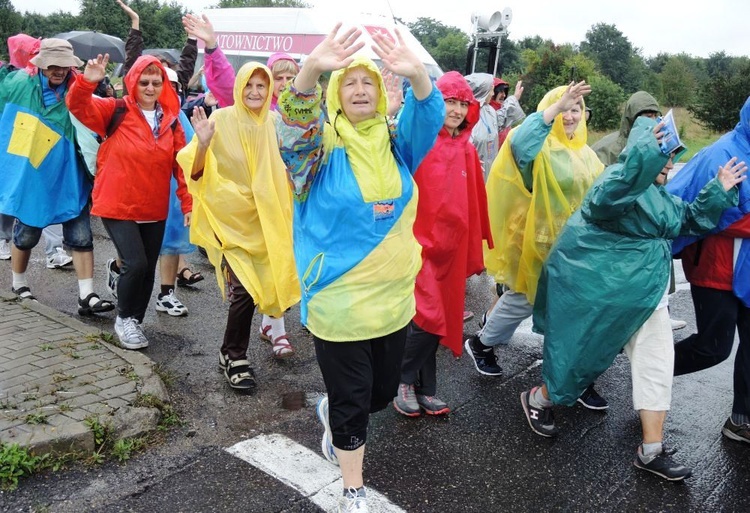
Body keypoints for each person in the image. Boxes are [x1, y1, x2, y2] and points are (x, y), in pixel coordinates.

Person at [521, 116, 746, 481]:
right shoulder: (614, 184)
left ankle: (651, 449)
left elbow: (689, 220)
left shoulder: (659, 195)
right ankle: (539, 399)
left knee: (657, 366)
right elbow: (619, 189)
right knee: (580, 360)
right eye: (665, 155)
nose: (670, 164)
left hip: (645, 298)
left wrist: (718, 190)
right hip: (603, 296)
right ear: (644, 154)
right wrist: (647, 155)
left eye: (672, 156)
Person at [276, 24, 444, 512]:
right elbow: (292, 129)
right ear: (334, 95)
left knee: (379, 394)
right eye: (348, 82)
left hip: (392, 298)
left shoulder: (396, 145)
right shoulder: (317, 153)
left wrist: (417, 77)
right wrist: (309, 70)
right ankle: (353, 490)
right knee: (355, 402)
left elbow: (426, 120)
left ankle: (333, 411)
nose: (359, 89)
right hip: (338, 297)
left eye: (367, 81)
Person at [464, 82, 608, 409]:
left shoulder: (586, 153)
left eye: (576, 109)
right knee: (521, 301)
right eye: (564, 108)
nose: (570, 116)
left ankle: (577, 378)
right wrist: (555, 108)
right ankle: (482, 344)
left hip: (576, 250)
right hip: (538, 242)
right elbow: (520, 143)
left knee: (576, 312)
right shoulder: (538, 145)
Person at [176, 55, 300, 385]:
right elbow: (198, 171)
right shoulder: (222, 119)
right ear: (239, 87)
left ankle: (263, 332)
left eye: (262, 85)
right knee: (243, 290)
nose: (256, 91)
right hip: (231, 222)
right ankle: (234, 355)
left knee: (271, 283)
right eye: (250, 85)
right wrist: (202, 144)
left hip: (269, 222)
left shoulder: (276, 123)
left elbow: (292, 164)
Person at [67, 54, 188, 350]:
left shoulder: (171, 122)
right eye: (144, 82)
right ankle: (123, 319)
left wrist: (188, 203)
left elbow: (183, 165)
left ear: (164, 86)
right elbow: (78, 106)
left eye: (155, 82)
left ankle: (135, 319)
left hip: (153, 207)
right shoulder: (114, 110)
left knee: (146, 269)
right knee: (135, 263)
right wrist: (87, 81)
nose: (149, 87)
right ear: (132, 82)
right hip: (117, 203)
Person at [393, 71, 492, 417]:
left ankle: (426, 388)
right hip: (420, 245)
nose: (457, 110)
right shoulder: (422, 141)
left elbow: (472, 201)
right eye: (450, 101)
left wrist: (472, 248)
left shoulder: (464, 148)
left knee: (444, 314)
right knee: (427, 315)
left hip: (451, 247)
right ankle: (401, 379)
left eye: (463, 103)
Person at [0, 38, 113, 315]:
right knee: (26, 233)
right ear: (40, 64)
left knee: (81, 234)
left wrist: (91, 83)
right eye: (52, 65)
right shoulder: (18, 84)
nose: (58, 70)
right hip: (32, 176)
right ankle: (19, 284)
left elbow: (98, 114)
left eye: (63, 65)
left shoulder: (79, 88)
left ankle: (87, 295)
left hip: (69, 174)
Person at [666, 96, 750, 445]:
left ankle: (741, 419)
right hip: (714, 269)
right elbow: (695, 210)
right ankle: (652, 372)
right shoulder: (723, 152)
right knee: (713, 347)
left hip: (745, 270)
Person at [591, 91, 687, 331]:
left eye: (654, 114)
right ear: (630, 117)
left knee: (658, 247)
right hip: (620, 220)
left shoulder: (660, 143)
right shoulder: (608, 147)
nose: (650, 119)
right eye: (644, 115)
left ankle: (661, 309)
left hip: (649, 216)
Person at [465, 72, 498, 180]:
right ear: (483, 91)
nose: (493, 94)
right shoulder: (464, 114)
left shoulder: (489, 111)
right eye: (491, 89)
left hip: (489, 173)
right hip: (470, 174)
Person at [490, 77, 526, 148]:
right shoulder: (488, 112)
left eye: (505, 92)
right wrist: (514, 98)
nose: (503, 95)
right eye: (500, 91)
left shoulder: (504, 110)